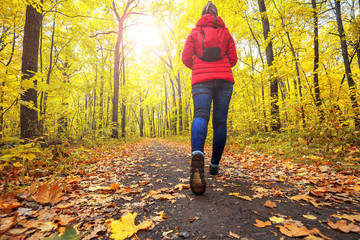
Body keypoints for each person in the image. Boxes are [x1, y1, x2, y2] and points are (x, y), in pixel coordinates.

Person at [182, 1, 238, 194]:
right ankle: (214, 166)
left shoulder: (194, 32)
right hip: (224, 79)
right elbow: (234, 59)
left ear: (202, 14)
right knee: (220, 123)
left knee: (201, 115)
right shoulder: (226, 31)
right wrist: (222, 65)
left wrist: (197, 67)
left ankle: (197, 153)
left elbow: (185, 58)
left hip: (201, 79)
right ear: (216, 15)